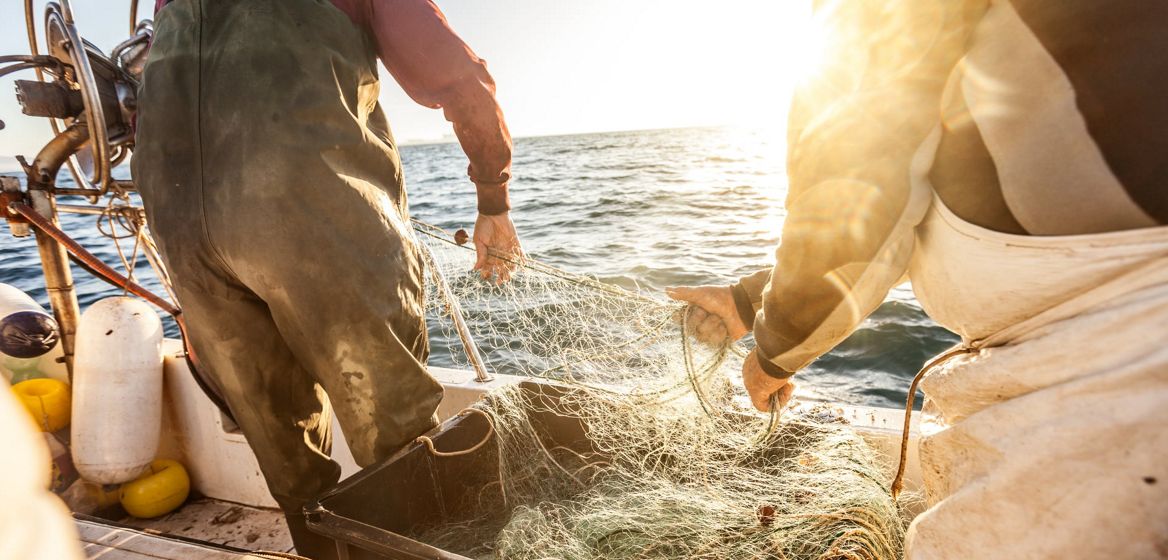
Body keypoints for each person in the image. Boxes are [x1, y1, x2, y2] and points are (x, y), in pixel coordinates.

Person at [669, 1, 1167, 557]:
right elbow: (919, 203)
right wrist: (749, 301)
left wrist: (771, 359)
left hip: (1127, 341)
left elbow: (859, 197)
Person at [132, 0, 523, 556]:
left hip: (183, 235)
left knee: (282, 447)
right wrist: (493, 198)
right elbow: (459, 79)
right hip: (311, 217)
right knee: (396, 433)